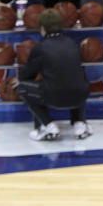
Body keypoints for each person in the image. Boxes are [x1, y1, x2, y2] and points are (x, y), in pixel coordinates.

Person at [17, 8, 90, 141]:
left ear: (42, 28)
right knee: (76, 80)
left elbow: (25, 77)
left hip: (54, 97)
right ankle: (79, 124)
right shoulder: (73, 44)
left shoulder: (40, 48)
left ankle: (48, 126)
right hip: (81, 95)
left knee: (22, 87)